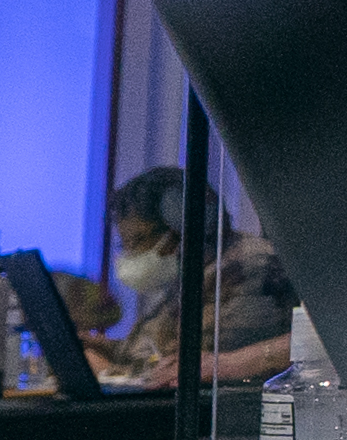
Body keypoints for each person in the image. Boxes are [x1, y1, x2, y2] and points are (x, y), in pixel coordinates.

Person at [101, 165, 297, 387]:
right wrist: (101, 348)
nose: (131, 254)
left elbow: (190, 367)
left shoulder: (250, 266)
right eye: (124, 244)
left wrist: (104, 368)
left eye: (138, 240)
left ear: (182, 224)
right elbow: (154, 348)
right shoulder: (194, 274)